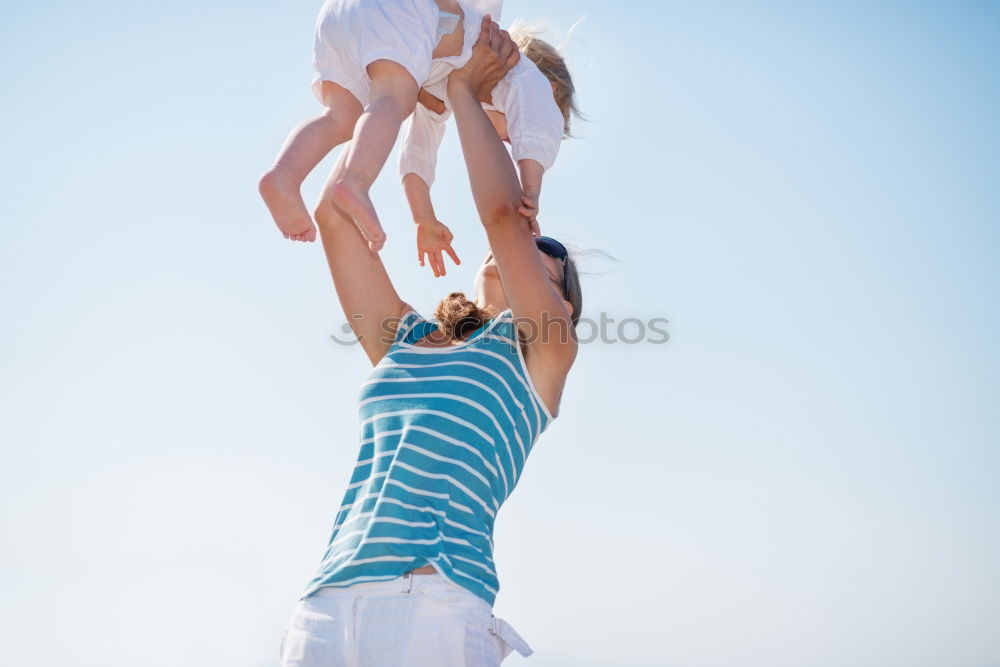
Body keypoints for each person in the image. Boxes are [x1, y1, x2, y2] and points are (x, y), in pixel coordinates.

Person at [278, 18, 582, 666]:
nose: (533, 252)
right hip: (328, 601)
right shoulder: (411, 340)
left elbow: (503, 218)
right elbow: (336, 214)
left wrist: (468, 91)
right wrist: (406, 78)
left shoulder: (543, 359)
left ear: (562, 308)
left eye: (546, 261)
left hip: (434, 602)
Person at [400, 20, 578, 276]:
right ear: (547, 93)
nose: (513, 142)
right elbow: (536, 128)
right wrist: (530, 189)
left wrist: (423, 217)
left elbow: (416, 150)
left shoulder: (443, 95)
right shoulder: (523, 79)